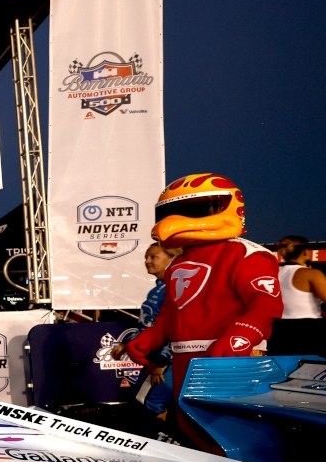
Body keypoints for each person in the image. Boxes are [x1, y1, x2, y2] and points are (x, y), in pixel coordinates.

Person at [123, 174, 282, 402]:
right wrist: (151, 337)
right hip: (183, 358)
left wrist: (240, 337)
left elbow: (265, 304)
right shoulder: (177, 262)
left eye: (194, 210)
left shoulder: (247, 254)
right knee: (188, 417)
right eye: (171, 212)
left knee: (230, 418)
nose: (177, 219)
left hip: (232, 357)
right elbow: (172, 312)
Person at [113, 244, 181, 415]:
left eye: (153, 257)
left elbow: (178, 327)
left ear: (173, 258)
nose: (147, 261)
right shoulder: (157, 289)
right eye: (146, 257)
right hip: (157, 359)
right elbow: (148, 324)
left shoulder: (177, 287)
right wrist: (128, 343)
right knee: (143, 402)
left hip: (168, 361)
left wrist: (163, 361)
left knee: (146, 404)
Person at [268, 236, 326, 357]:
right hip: (308, 331)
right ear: (305, 251)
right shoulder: (311, 274)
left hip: (277, 331)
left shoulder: (270, 273)